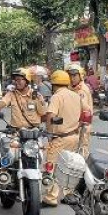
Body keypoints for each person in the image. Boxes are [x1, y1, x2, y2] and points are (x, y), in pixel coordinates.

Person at [43, 70, 83, 207]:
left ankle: (51, 197)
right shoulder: (76, 96)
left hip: (59, 137)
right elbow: (85, 113)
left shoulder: (57, 96)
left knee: (51, 166)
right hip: (73, 136)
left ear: (54, 84)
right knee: (68, 166)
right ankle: (67, 194)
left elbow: (50, 115)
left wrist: (48, 131)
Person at [66, 64, 93, 157]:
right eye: (70, 76)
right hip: (72, 125)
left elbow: (85, 109)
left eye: (74, 76)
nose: (72, 78)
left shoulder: (82, 90)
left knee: (82, 151)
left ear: (80, 76)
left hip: (81, 126)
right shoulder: (71, 88)